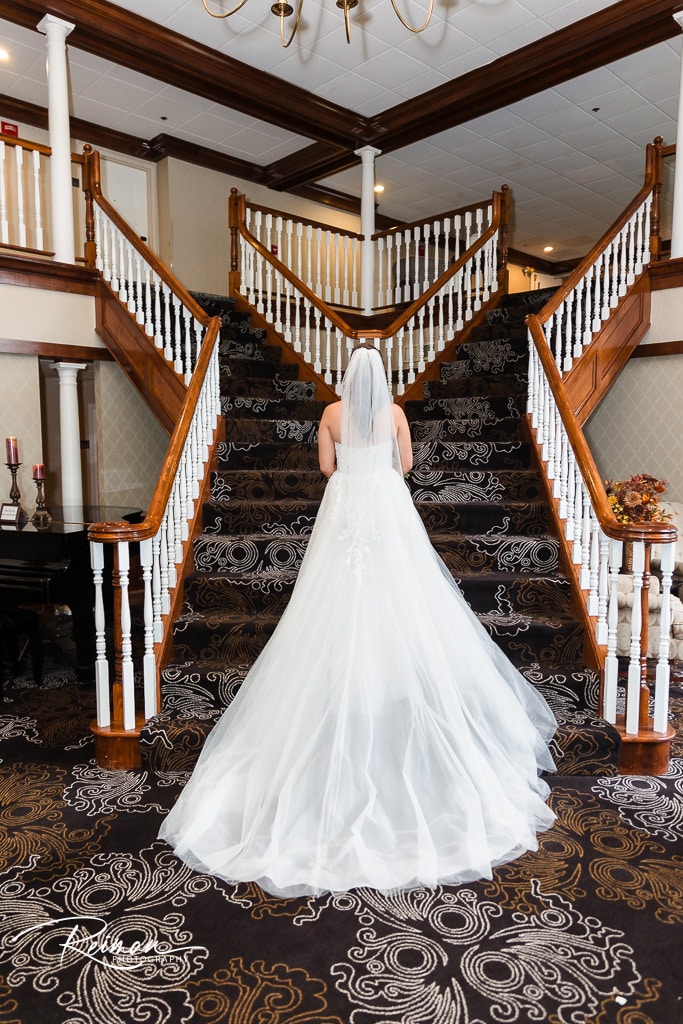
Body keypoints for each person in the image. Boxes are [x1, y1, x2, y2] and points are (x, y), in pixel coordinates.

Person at [159, 346, 556, 898]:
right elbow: (407, 466)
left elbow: (326, 468)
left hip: (344, 509)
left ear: (347, 377)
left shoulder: (330, 414)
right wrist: (379, 465)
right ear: (382, 378)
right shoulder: (394, 414)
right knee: (407, 598)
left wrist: (351, 466)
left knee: (328, 603)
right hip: (387, 507)